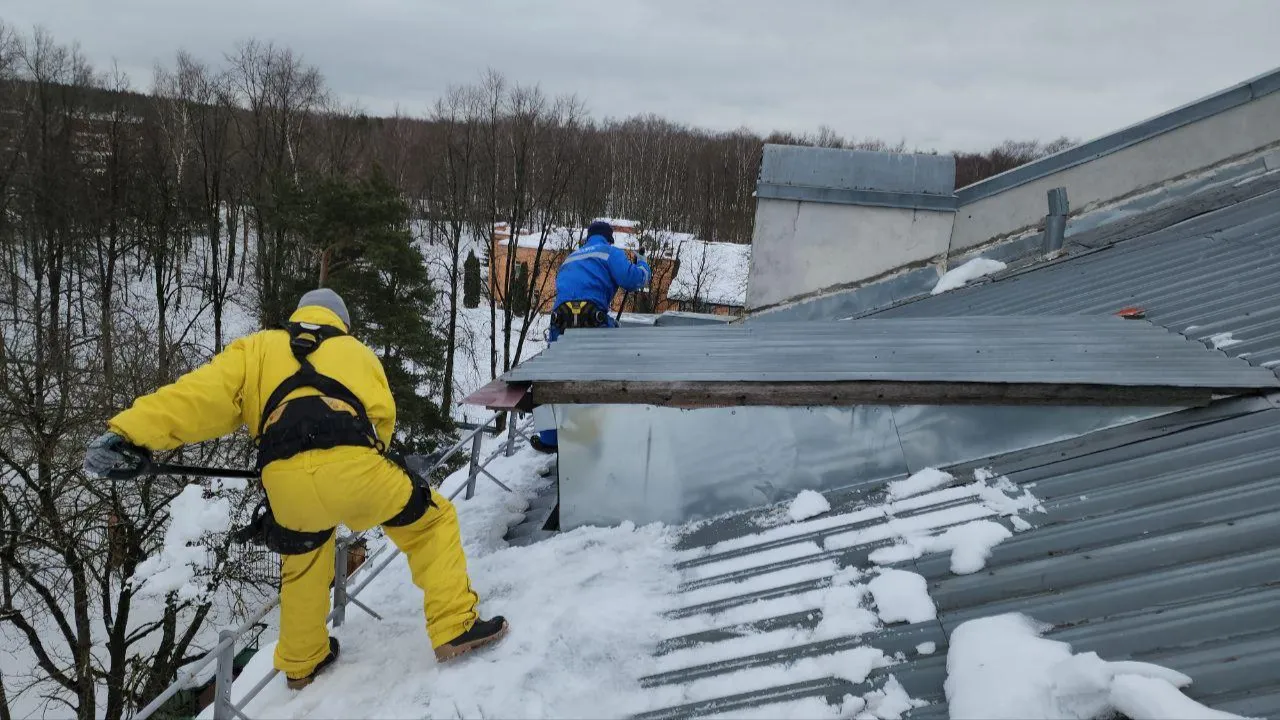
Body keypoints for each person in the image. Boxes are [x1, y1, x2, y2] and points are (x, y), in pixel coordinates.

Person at [82, 289, 508, 690]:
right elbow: (382, 422)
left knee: (303, 555)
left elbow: (196, 396)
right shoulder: (357, 352)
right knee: (430, 522)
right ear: (342, 322)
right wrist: (368, 465)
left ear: (299, 316)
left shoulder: (258, 349)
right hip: (357, 466)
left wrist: (128, 433)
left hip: (284, 480)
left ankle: (303, 663)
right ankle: (454, 627)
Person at [530, 220, 651, 453]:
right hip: (591, 320)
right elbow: (633, 280)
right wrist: (643, 264)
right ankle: (596, 434)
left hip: (560, 323)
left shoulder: (570, 258)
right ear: (609, 238)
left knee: (551, 377)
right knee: (603, 375)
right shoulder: (609, 253)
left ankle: (549, 438)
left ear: (588, 237)